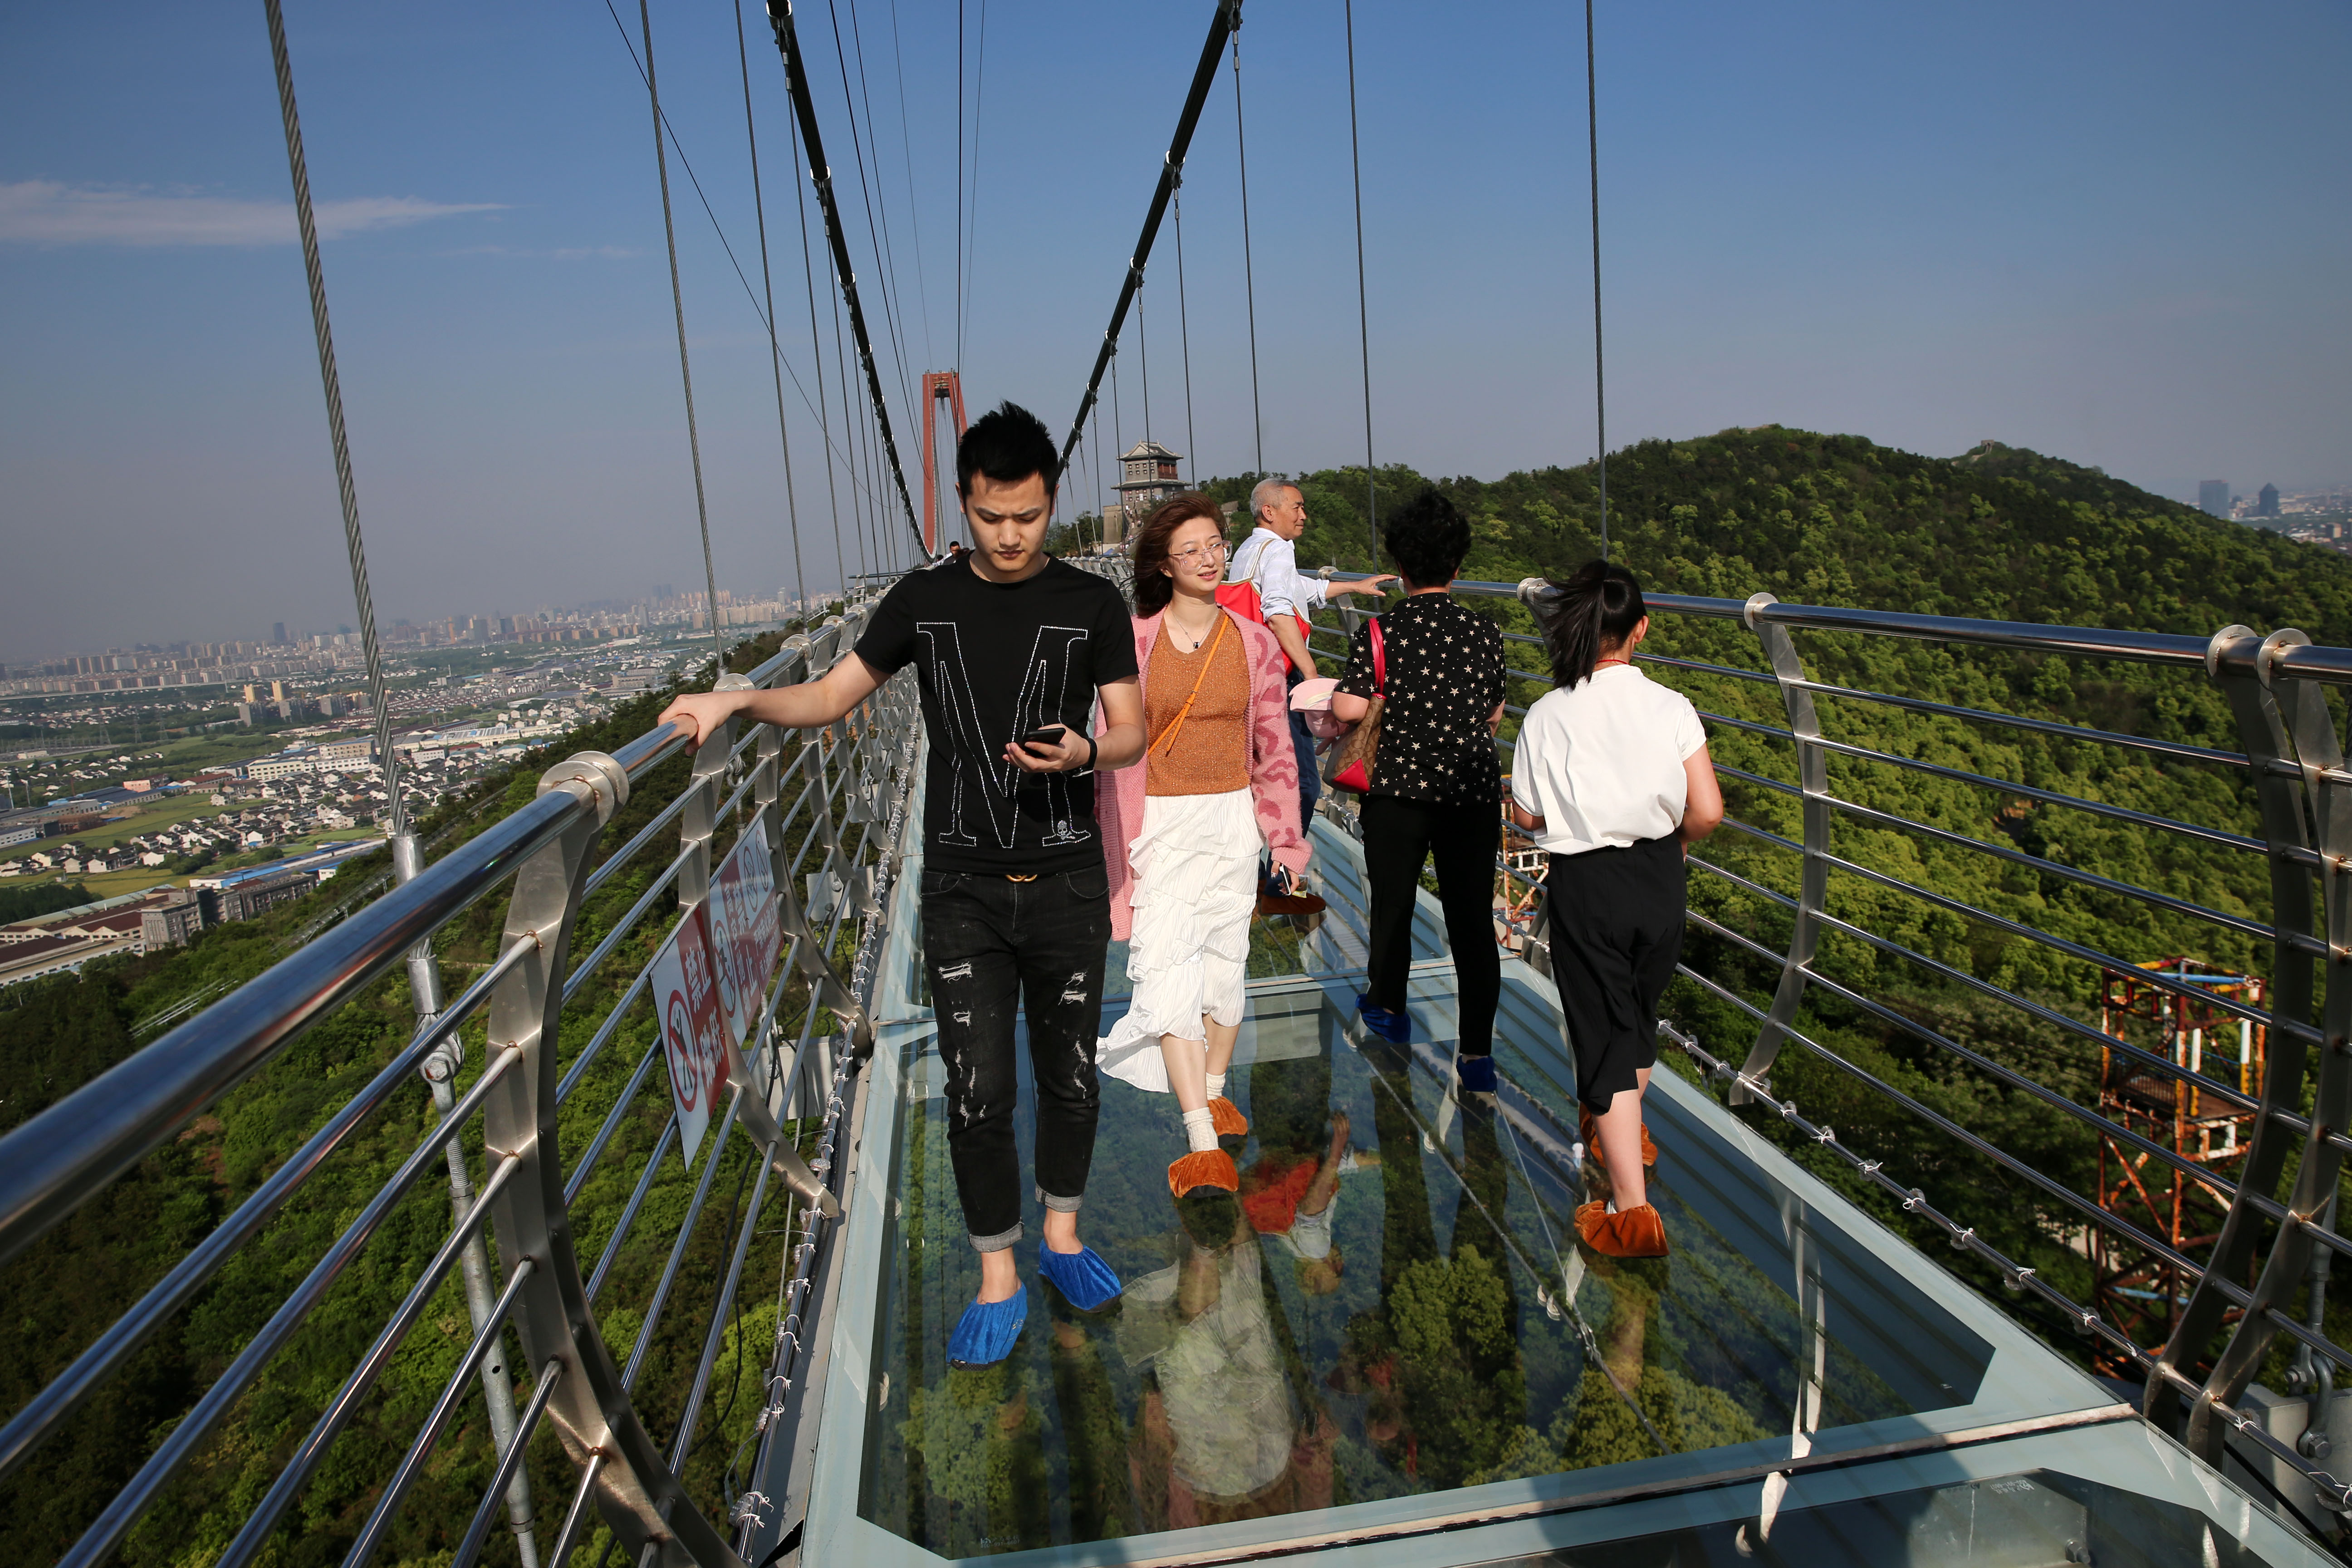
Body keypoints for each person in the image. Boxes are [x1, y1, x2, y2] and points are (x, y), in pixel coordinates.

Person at [658, 401, 1145, 1366]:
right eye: (991, 516)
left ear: (1053, 502)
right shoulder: (923, 598)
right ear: (962, 502)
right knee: (978, 1089)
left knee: (1072, 1077)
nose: (1011, 538)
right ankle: (998, 1268)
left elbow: (1131, 729)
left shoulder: (1094, 601)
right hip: (962, 886)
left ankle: (1063, 1235)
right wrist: (741, 698)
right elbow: (835, 695)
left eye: (1031, 516)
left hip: (1068, 882)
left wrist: (1088, 747)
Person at [1508, 559, 1723, 1260]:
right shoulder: (1673, 707)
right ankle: (1626, 1132)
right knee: (1634, 1018)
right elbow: (1708, 811)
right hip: (1662, 875)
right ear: (1642, 630)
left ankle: (1631, 1214)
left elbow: (1529, 815)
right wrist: (1674, 846)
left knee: (1601, 1038)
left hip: (1587, 883)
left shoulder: (1547, 714)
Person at [1098, 493, 1308, 1198]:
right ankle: (1199, 1137)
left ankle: (1216, 1091)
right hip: (1160, 822)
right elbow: (1115, 741)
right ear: (1164, 564)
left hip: (1231, 821)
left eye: (1217, 544)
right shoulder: (1133, 642)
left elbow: (1274, 747)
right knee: (1166, 969)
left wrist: (1285, 837)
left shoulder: (1253, 643)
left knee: (1225, 964)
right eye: (1192, 550)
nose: (1211, 558)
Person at [1327, 489, 1508, 1090]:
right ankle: (1477, 1054)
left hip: (1397, 791)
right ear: (1458, 568)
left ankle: (1389, 1011)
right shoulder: (1485, 633)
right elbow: (1493, 713)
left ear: (1400, 570)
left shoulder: (1382, 631)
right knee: (1472, 922)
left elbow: (1350, 705)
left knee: (1395, 907)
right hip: (1470, 793)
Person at [1226, 480, 1395, 907]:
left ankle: (1255, 870)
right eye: (1297, 508)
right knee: (1301, 782)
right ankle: (1282, 882)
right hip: (1277, 683)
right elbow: (1280, 612)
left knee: (1257, 775)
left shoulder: (1250, 550)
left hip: (1246, 678)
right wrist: (1311, 674)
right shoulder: (1279, 550)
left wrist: (1351, 588)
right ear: (1269, 511)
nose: (1304, 516)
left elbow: (1301, 591)